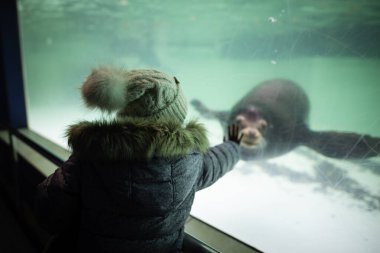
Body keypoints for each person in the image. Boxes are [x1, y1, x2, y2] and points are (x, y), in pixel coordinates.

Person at [34, 67, 243, 253]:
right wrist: (232, 146)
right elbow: (215, 162)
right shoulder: (191, 161)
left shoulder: (91, 157)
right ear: (175, 116)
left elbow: (47, 210)